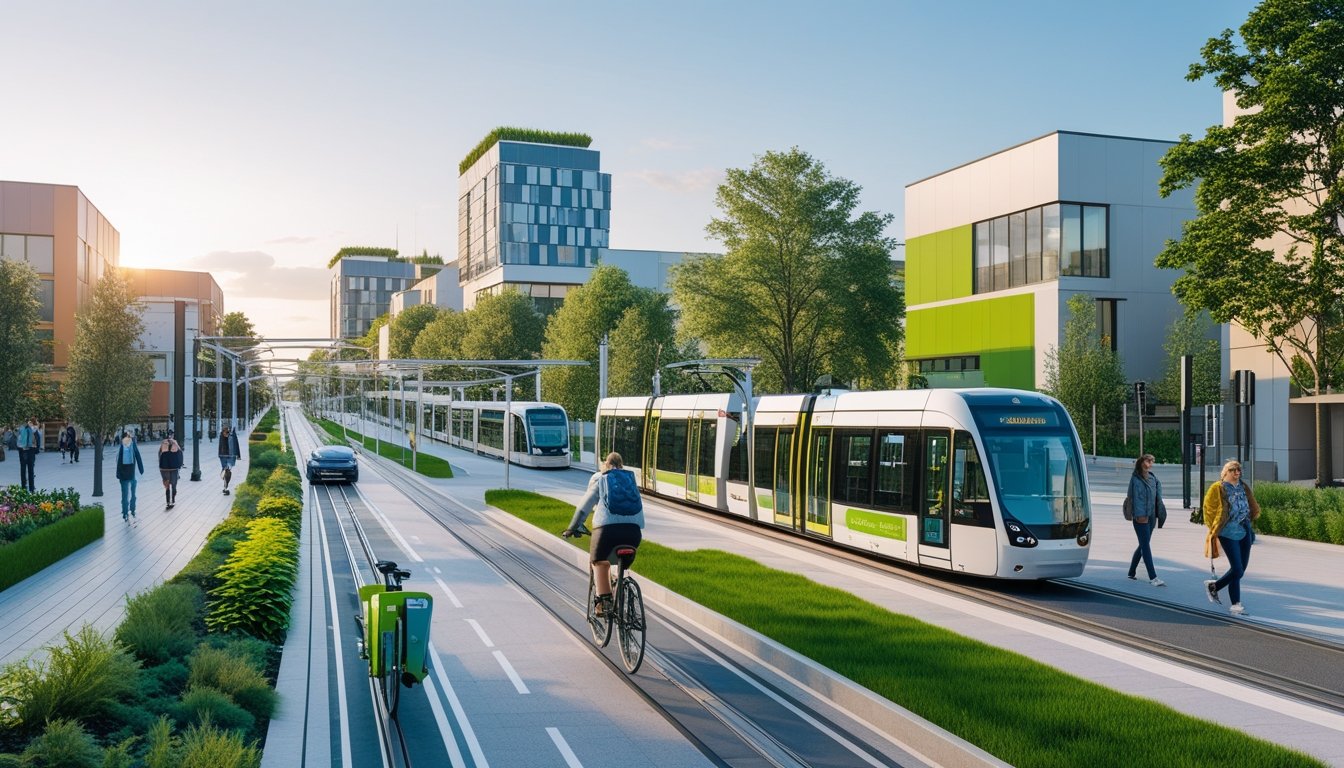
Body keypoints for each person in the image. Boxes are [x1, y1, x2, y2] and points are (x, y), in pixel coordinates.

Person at [562, 452, 645, 617]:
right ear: (622, 465)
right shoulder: (629, 480)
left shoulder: (600, 478)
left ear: (605, 464)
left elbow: (584, 506)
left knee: (599, 561)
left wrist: (572, 527)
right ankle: (620, 586)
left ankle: (603, 603)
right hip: (634, 533)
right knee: (620, 562)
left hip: (607, 531)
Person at [1202, 459, 1260, 615]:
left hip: (1245, 528)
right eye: (1234, 470)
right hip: (1228, 531)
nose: (1237, 473)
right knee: (1237, 568)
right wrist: (1215, 528)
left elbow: (1250, 504)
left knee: (1241, 570)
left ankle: (1215, 587)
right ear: (1226, 472)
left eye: (1239, 470)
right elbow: (1208, 509)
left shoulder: (1243, 486)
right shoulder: (1218, 488)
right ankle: (1236, 603)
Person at [1125, 453, 1166, 587]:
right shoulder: (1136, 479)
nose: (1150, 464)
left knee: (1143, 544)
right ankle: (1153, 577)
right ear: (1142, 462)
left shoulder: (1153, 478)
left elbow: (1157, 498)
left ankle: (1131, 572)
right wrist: (1140, 515)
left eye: (1152, 461)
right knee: (1146, 547)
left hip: (1151, 516)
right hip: (1141, 517)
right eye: (1148, 461)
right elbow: (1134, 498)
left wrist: (1159, 514)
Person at [115, 430, 145, 526]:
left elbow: (118, 461)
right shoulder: (133, 445)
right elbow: (138, 457)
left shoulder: (120, 447)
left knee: (124, 495)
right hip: (132, 474)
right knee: (133, 493)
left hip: (123, 476)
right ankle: (132, 510)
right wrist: (141, 469)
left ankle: (125, 513)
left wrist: (118, 474)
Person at [158, 432, 184, 509]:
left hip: (164, 468)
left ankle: (167, 502)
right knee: (174, 484)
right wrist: (180, 465)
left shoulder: (163, 444)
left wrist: (161, 465)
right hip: (174, 468)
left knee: (167, 485)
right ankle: (173, 500)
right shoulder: (175, 444)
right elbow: (180, 454)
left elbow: (159, 455)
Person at [17, 417, 40, 492]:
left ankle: (23, 487)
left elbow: (18, 439)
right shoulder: (34, 428)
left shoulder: (21, 428)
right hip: (31, 450)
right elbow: (38, 439)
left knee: (23, 469)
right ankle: (32, 488)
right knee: (31, 470)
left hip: (22, 450)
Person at [218, 424, 240, 495]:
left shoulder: (232, 435)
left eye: (225, 431)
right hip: (223, 456)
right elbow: (220, 445)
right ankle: (225, 487)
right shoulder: (221, 435)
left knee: (227, 471)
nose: (224, 433)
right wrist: (219, 455)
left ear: (228, 430)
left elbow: (236, 444)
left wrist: (238, 455)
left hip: (231, 456)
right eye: (223, 431)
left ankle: (226, 488)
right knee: (224, 471)